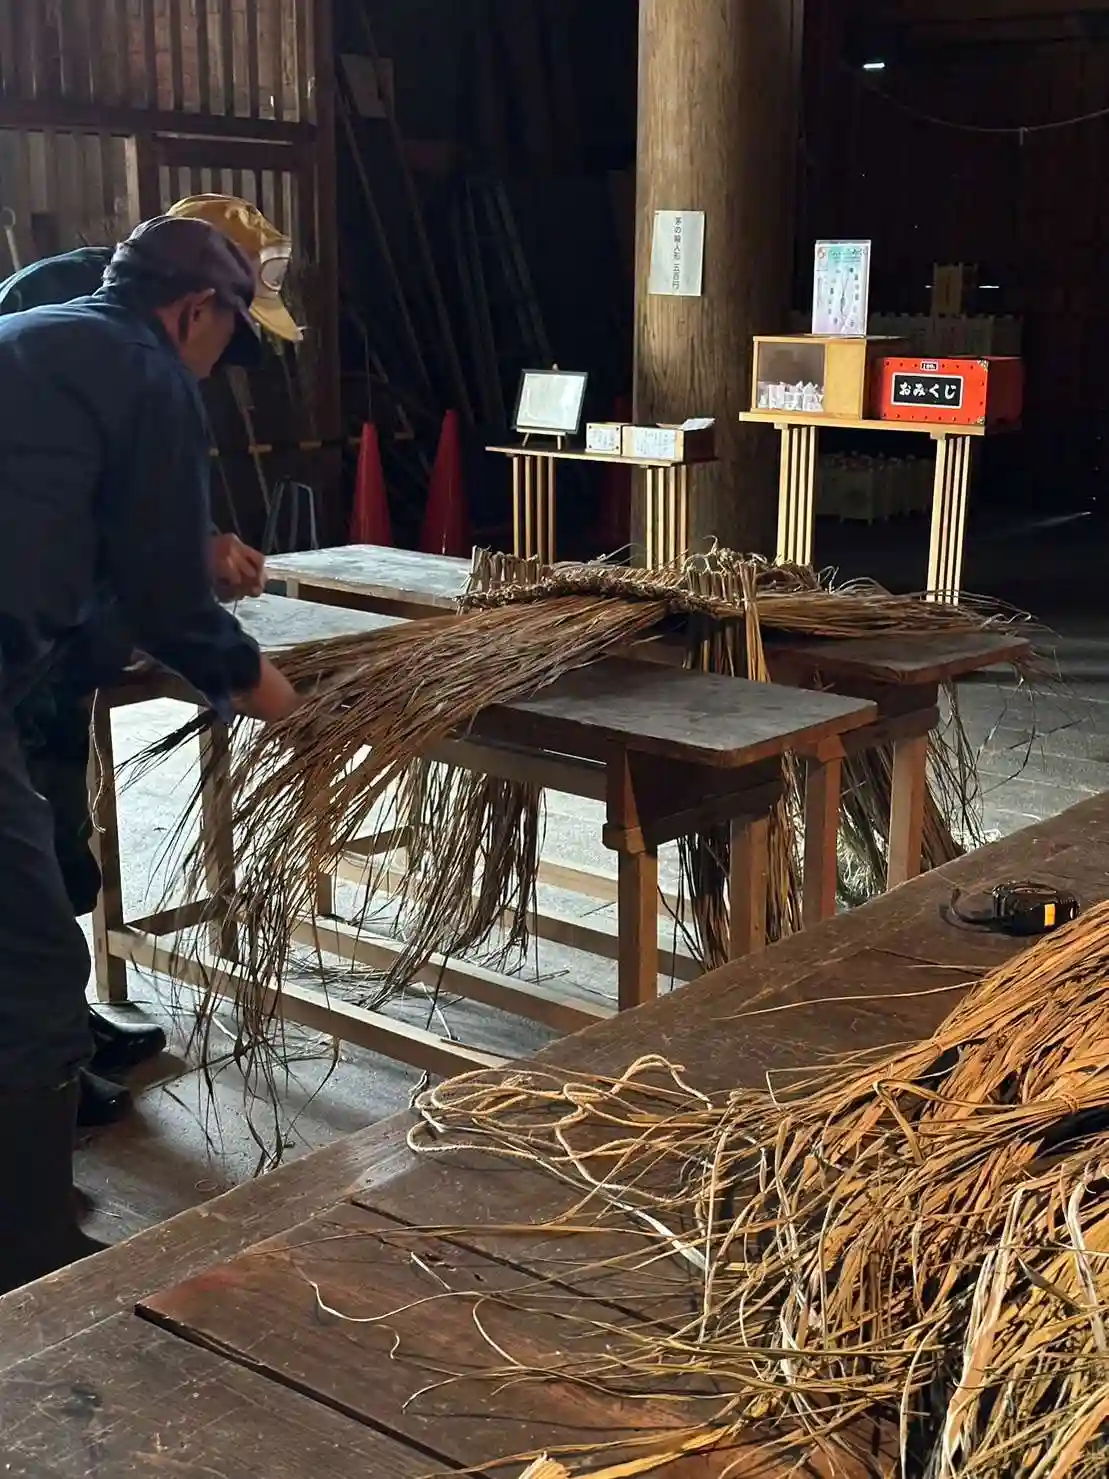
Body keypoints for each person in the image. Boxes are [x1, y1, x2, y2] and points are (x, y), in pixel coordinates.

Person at [0, 213, 301, 1292]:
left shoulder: (31, 333)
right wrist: (271, 693)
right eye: (228, 337)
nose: (219, 365)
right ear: (194, 310)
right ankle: (29, 1256)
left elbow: (57, 524)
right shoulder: (146, 367)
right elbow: (173, 602)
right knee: (34, 969)